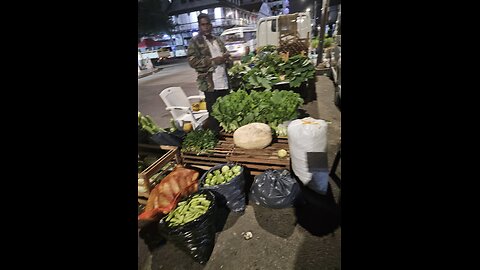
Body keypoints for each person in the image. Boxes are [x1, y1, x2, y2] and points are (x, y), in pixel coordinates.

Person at [187, 13, 232, 134]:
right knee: (213, 113)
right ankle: (216, 137)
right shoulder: (195, 42)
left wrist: (227, 59)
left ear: (211, 25)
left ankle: (227, 133)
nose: (206, 27)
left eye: (207, 24)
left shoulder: (217, 40)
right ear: (199, 26)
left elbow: (226, 53)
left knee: (226, 110)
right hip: (210, 83)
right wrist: (212, 61)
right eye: (203, 25)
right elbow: (192, 62)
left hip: (224, 80)